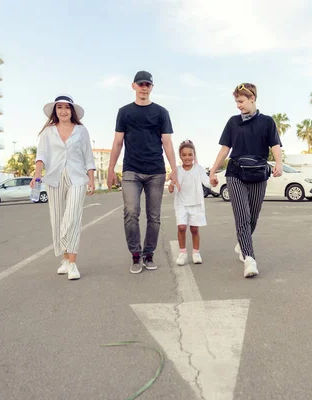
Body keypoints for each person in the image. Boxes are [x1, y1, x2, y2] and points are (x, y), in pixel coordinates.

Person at [107, 71, 179, 274]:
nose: (144, 87)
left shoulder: (161, 112)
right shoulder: (124, 112)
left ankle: (149, 254)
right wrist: (111, 169)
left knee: (154, 216)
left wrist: (174, 168)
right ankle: (135, 255)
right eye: (141, 84)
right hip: (131, 171)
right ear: (134, 86)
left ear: (152, 87)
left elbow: (167, 142)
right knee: (131, 212)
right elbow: (118, 142)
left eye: (147, 84)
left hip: (156, 171)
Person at [209, 83, 283, 278]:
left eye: (241, 101)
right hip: (235, 173)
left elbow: (275, 145)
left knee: (253, 216)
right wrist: (213, 171)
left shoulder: (267, 122)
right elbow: (225, 149)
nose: (238, 106)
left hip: (259, 173)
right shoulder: (233, 122)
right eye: (236, 102)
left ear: (252, 99)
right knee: (242, 216)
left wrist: (279, 163)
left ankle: (242, 243)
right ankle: (249, 259)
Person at [32, 94, 96, 280]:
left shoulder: (81, 131)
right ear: (55, 111)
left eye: (67, 107)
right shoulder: (48, 132)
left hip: (77, 178)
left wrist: (91, 179)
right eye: (59, 107)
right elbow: (41, 155)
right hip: (54, 178)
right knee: (58, 217)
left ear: (72, 111)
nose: (63, 111)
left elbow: (88, 157)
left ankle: (73, 263)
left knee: (73, 216)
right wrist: (37, 176)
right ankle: (65, 260)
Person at [168, 140, 211, 266]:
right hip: (181, 204)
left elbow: (207, 181)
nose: (187, 157)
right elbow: (172, 186)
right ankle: (182, 253)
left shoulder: (199, 169)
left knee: (194, 229)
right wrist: (171, 186)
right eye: (184, 155)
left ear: (194, 155)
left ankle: (196, 252)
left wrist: (212, 182)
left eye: (190, 154)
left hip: (196, 204)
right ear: (180, 156)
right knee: (181, 227)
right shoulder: (177, 170)